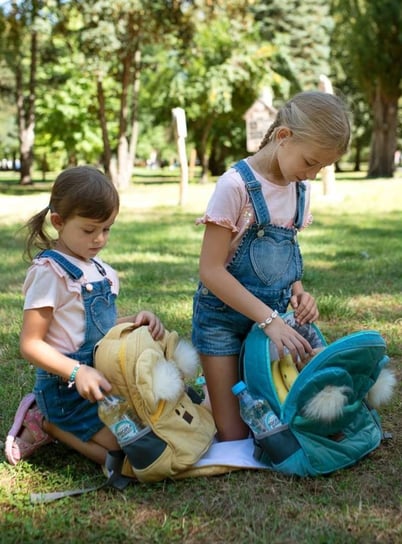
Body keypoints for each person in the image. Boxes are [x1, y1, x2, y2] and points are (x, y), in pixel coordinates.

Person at [191, 91, 351, 441]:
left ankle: (230, 382)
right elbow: (211, 271)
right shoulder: (235, 186)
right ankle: (213, 384)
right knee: (234, 435)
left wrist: (299, 292)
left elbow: (284, 256)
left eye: (322, 167)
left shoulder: (300, 190)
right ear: (283, 137)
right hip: (223, 323)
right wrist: (269, 319)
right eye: (310, 162)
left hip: (271, 325)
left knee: (281, 423)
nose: (312, 174)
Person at [5, 166, 164, 466]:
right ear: (58, 222)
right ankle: (46, 421)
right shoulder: (49, 274)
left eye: (107, 229)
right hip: (66, 391)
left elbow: (98, 329)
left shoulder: (101, 270)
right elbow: (30, 344)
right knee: (127, 457)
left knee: (149, 437)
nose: (100, 239)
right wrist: (78, 372)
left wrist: (133, 320)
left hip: (105, 379)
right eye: (89, 230)